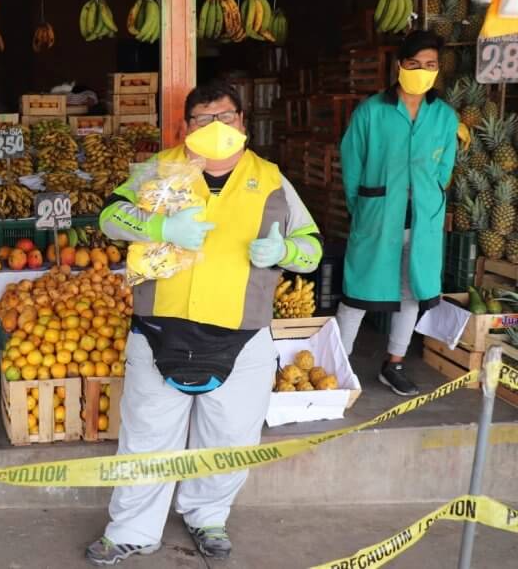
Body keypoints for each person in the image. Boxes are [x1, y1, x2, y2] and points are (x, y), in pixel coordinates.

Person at [86, 80, 322, 563]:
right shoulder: (161, 170)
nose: (216, 127)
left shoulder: (272, 178)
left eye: (226, 117)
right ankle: (131, 529)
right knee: (147, 437)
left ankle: (207, 517)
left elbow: (312, 247)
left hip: (242, 333)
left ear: (242, 122)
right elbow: (110, 216)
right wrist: (158, 226)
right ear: (185, 125)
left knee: (231, 437)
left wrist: (285, 251)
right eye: (203, 119)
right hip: (158, 328)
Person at [336, 30, 458, 396]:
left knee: (410, 294)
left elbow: (445, 169)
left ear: (438, 70)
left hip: (422, 220)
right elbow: (351, 165)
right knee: (358, 293)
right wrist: (364, 209)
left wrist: (431, 198)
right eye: (414, 64)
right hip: (377, 217)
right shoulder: (371, 111)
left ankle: (394, 363)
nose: (422, 70)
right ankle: (336, 365)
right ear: (399, 65)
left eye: (430, 65)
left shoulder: (444, 117)